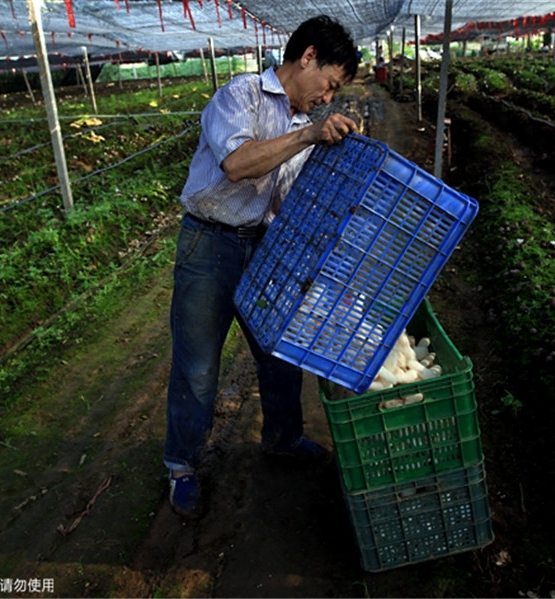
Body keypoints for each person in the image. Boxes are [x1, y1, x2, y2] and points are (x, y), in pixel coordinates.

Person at [163, 14, 360, 519]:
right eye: (330, 84)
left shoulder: (305, 124)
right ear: (308, 56)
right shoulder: (241, 95)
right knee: (199, 365)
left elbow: (290, 198)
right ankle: (182, 464)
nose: (328, 98)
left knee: (279, 354)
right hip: (209, 244)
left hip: (265, 245)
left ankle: (282, 438)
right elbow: (237, 164)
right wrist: (310, 135)